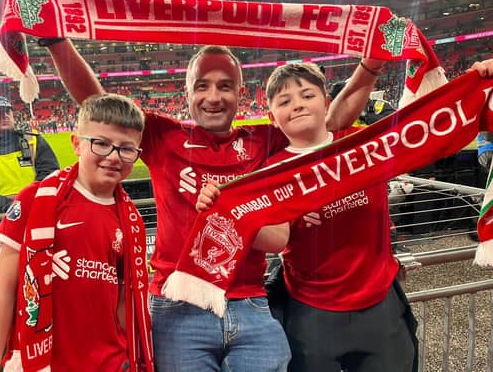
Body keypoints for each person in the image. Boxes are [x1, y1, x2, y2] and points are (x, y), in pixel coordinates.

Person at [39, 32, 384, 369]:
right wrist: (56, 40)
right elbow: (98, 104)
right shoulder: (163, 136)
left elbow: (329, 124)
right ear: (187, 92)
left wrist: (369, 66)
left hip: (251, 303)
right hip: (177, 306)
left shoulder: (266, 140)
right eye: (202, 85)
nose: (213, 96)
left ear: (240, 93)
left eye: (224, 86)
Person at [197, 60, 493, 372]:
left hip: (379, 304)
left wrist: (477, 83)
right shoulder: (273, 170)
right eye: (285, 101)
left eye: (307, 95)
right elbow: (278, 238)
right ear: (273, 117)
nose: (297, 105)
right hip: (312, 312)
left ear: (326, 103)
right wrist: (231, 214)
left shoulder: (367, 142)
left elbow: (439, 125)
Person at [0, 94, 153, 371]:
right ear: (76, 144)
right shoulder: (35, 200)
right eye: (101, 144)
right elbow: (2, 294)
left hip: (110, 363)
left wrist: (131, 358)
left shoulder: (132, 221)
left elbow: (123, 301)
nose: (113, 156)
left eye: (126, 149)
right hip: (46, 362)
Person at [0, 95, 59, 215]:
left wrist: (27, 201)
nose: (4, 116)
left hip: (38, 210)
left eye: (7, 111)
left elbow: (50, 175)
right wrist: (10, 206)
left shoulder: (34, 141)